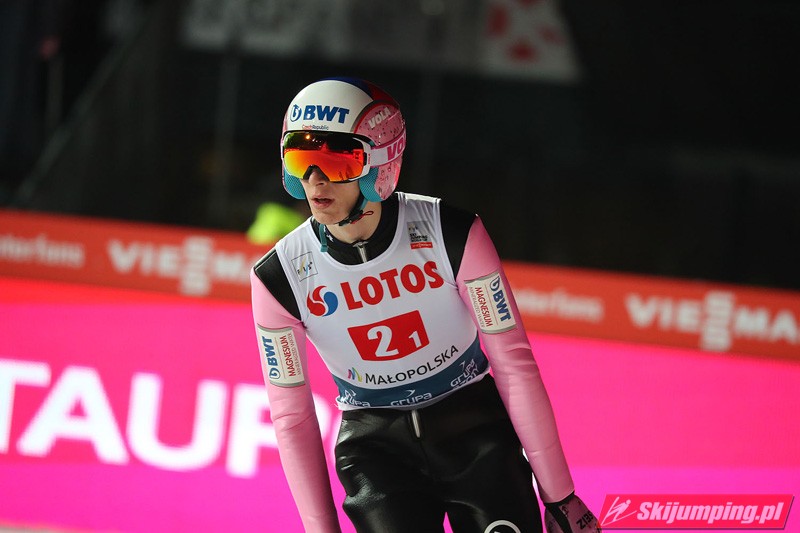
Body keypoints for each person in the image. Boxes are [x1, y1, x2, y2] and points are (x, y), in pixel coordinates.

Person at [249, 77, 599, 533]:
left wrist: (561, 497)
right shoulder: (277, 277)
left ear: (381, 164)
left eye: (337, 161)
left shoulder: (451, 233)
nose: (315, 179)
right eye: (300, 159)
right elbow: (291, 417)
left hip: (474, 432)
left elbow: (513, 362)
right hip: (376, 454)